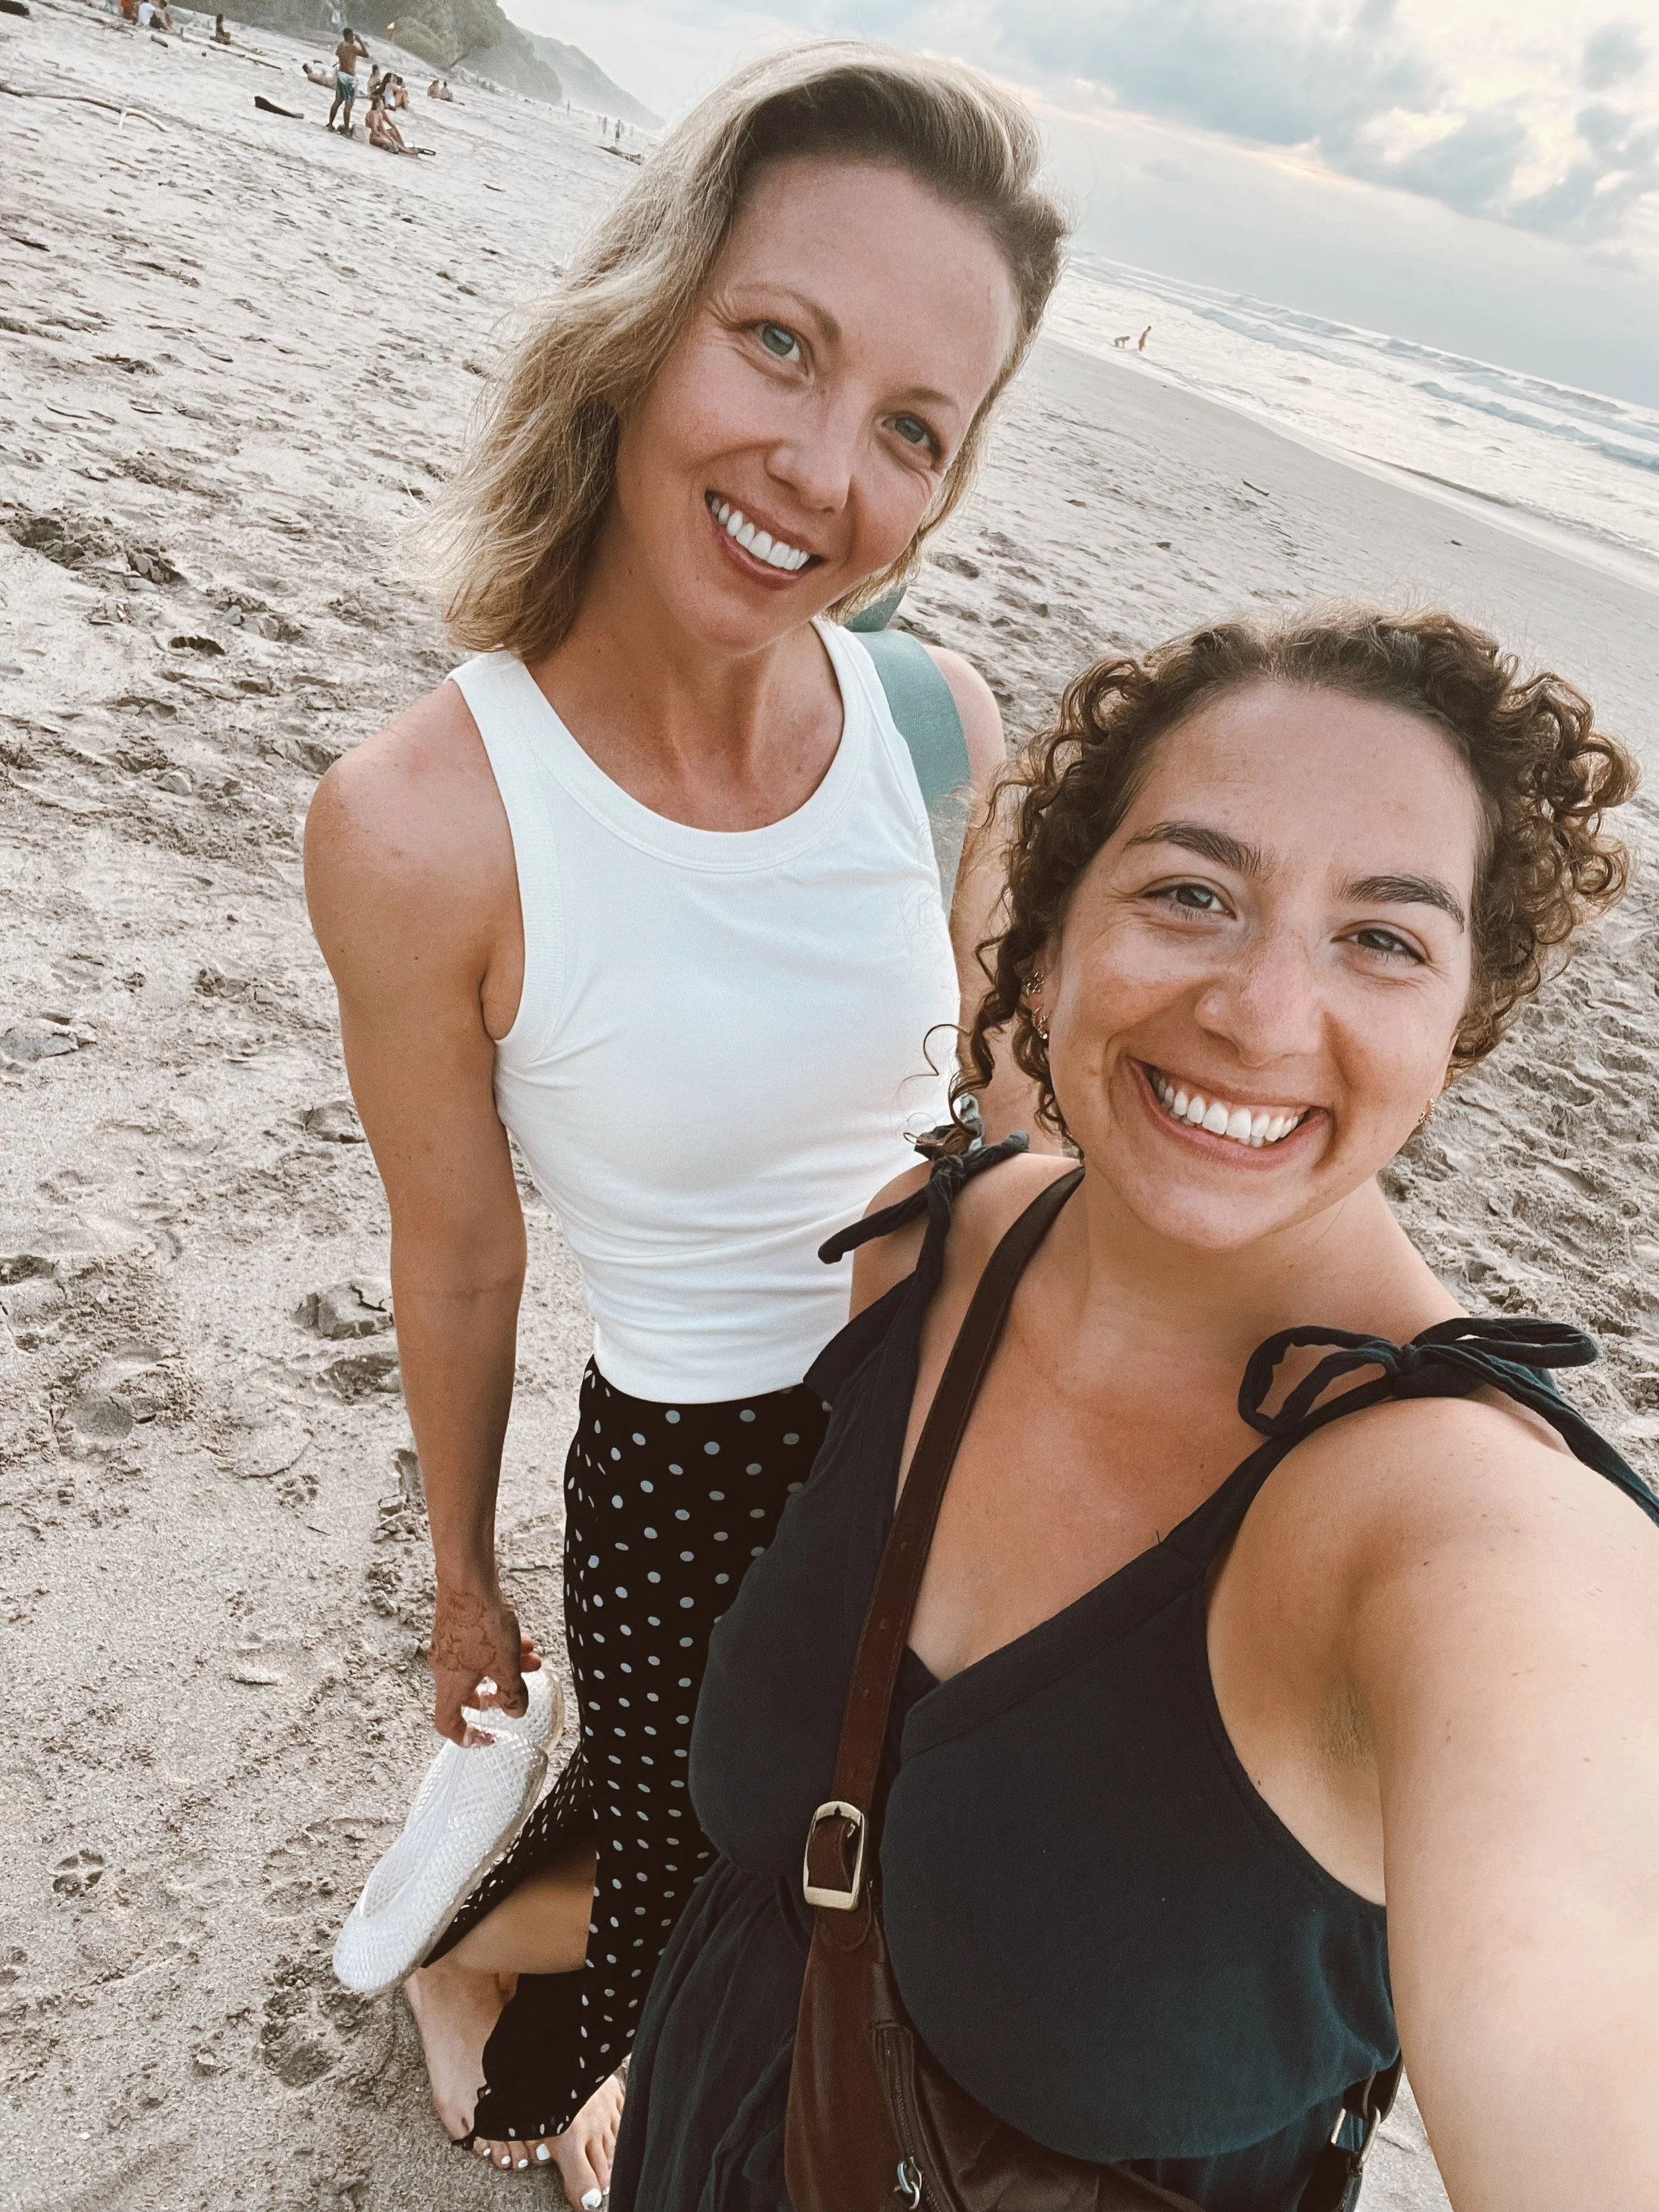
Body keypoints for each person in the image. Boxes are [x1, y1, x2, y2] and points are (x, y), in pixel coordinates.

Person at [609, 605, 1659, 2212]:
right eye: (1190, 892)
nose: (1258, 1010)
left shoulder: (1466, 1537)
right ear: (1049, 938)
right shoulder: (927, 1252)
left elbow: (1573, 2003)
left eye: (1383, 938)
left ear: (1462, 1021)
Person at [305, 39, 1066, 2205]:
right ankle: (525, 2025)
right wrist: (463, 1580)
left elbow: (1001, 1129)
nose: (829, 469)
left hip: (928, 1418)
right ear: (649, 317)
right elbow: (460, 1253)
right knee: (675, 1826)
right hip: (685, 1457)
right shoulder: (425, 820)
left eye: (914, 425)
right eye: (780, 343)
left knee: (853, 1836)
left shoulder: (936, 722)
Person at [327, 25, 367, 132]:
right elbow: (366, 54)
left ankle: (330, 124)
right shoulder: (352, 48)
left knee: (338, 101)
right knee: (348, 104)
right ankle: (346, 128)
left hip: (341, 75)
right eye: (353, 36)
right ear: (349, 36)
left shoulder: (340, 46)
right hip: (350, 78)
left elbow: (337, 57)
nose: (353, 38)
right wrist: (360, 41)